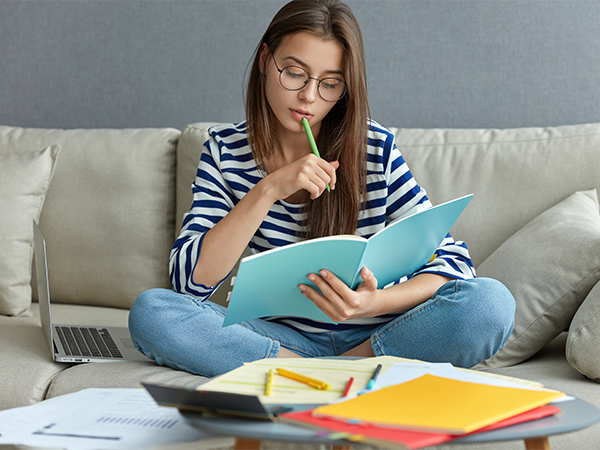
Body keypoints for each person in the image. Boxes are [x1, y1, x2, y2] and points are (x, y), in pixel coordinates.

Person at [129, 0, 515, 378]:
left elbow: (453, 264)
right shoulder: (225, 150)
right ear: (265, 59)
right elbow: (187, 283)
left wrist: (372, 302)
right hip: (278, 339)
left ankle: (325, 373)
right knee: (153, 312)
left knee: (490, 304)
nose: (309, 97)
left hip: (380, 334)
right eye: (294, 73)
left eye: (330, 83)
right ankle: (328, 373)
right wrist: (267, 190)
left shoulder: (373, 146)